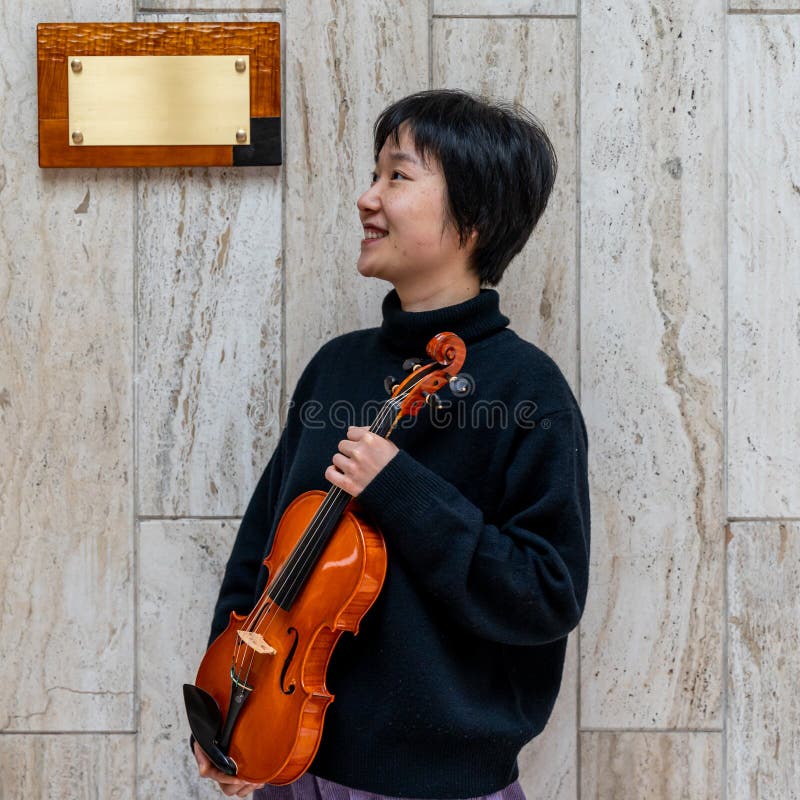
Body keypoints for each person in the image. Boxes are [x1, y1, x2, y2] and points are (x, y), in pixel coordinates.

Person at [192, 88, 590, 800]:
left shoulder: (528, 392)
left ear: (476, 216)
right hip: (290, 758)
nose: (366, 198)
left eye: (397, 177)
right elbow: (260, 556)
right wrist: (227, 705)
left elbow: (545, 595)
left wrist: (403, 490)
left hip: (437, 786)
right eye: (375, 174)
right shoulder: (338, 367)